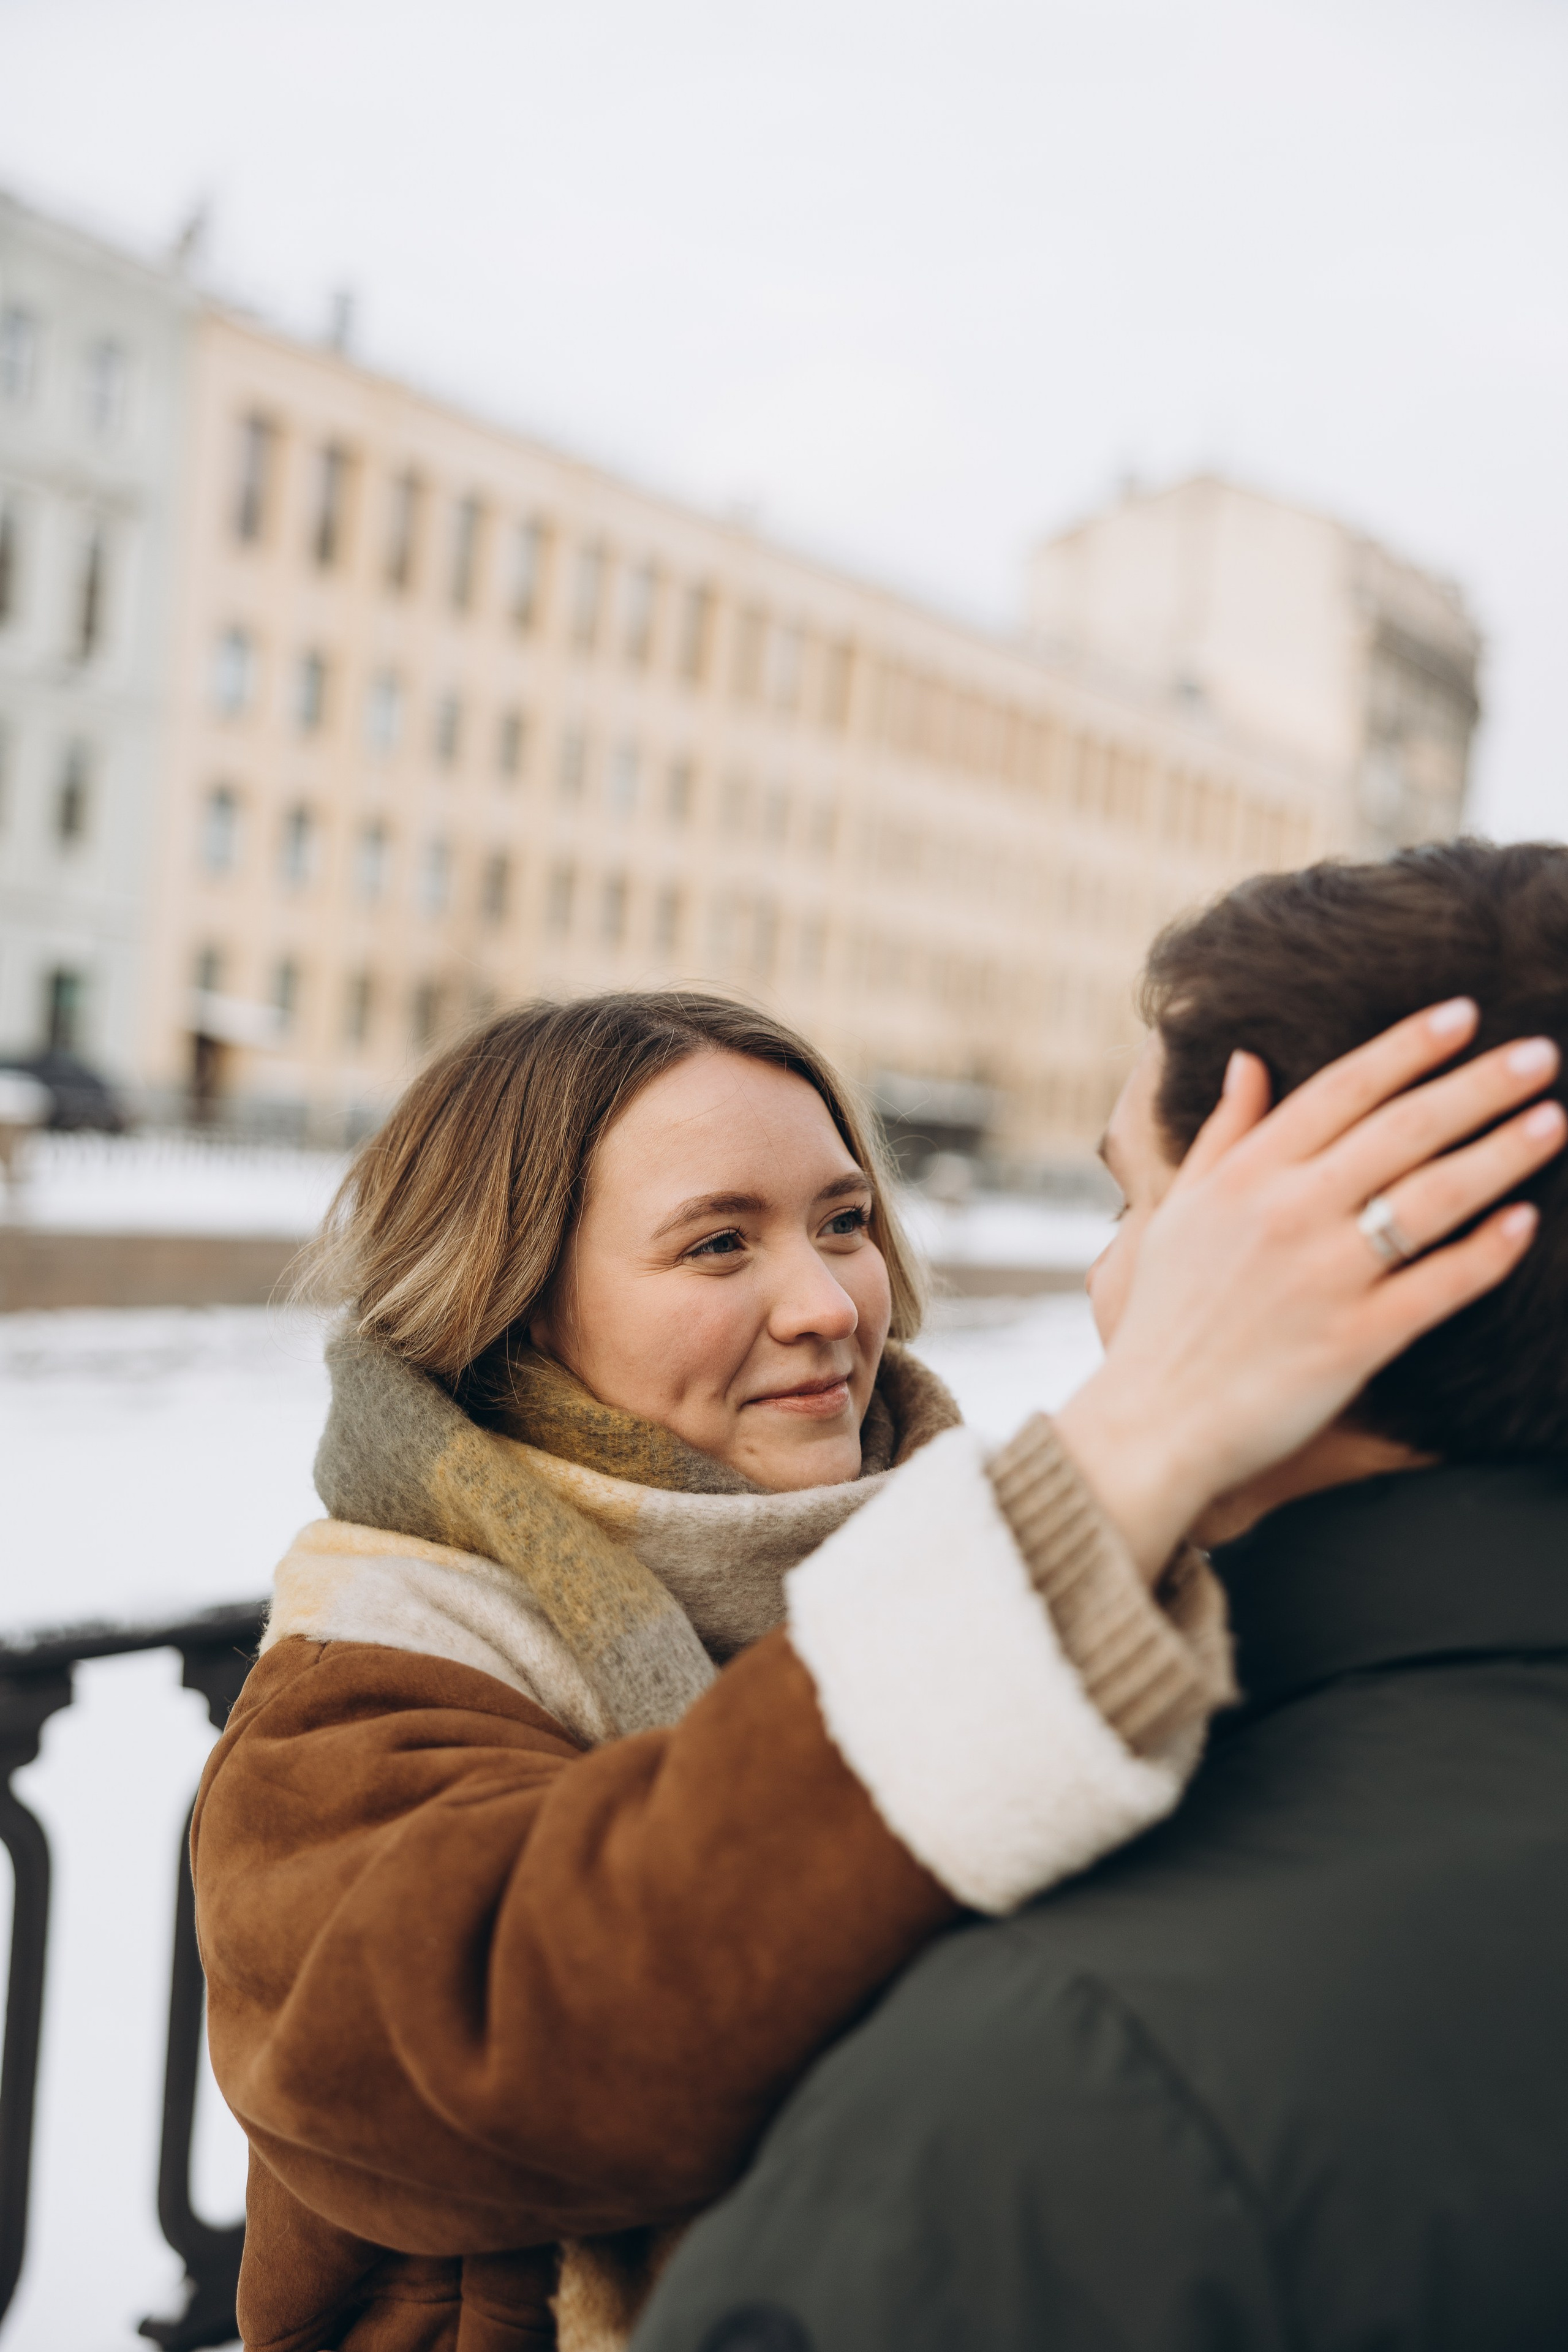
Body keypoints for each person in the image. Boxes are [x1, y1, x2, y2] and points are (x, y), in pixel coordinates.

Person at [190, 978, 1561, 2352]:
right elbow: (502, 2054)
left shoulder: (994, 1582)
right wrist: (1113, 1472)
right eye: (718, 1245)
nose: (828, 1306)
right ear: (511, 1300)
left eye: (843, 1223)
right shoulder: (364, 1673)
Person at [630, 840, 1568, 2352]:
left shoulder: (1054, 2092)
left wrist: (1127, 1449)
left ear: (1275, 1259)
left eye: (1137, 1207)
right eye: (718, 1242)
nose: (1103, 1281)